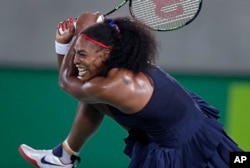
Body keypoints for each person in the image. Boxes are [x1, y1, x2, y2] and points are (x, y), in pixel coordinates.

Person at [19, 12, 243, 168]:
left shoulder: (118, 84)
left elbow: (67, 83)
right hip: (172, 129)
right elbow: (76, 82)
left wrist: (72, 38)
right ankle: (63, 157)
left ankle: (63, 158)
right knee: (92, 100)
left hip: (184, 145)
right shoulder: (117, 63)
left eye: (82, 54)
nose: (76, 59)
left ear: (105, 54)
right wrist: (73, 42)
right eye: (75, 52)